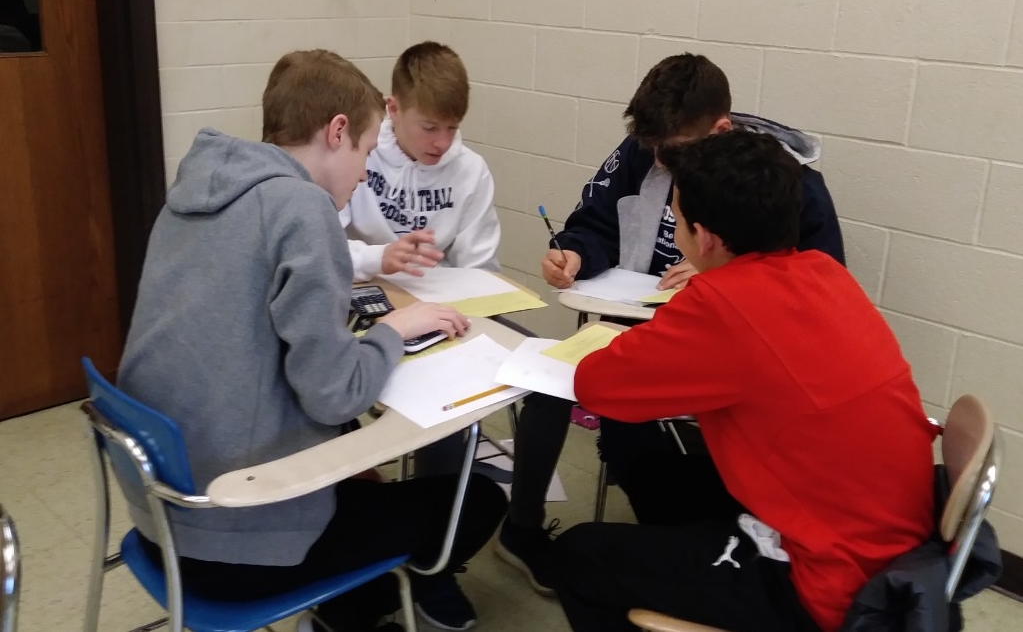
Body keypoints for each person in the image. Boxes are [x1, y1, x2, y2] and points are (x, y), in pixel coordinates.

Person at [117, 50, 506, 632]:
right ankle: (346, 614)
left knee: (361, 470)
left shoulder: (196, 189)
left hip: (161, 512)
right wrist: (392, 331)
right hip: (235, 540)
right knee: (478, 502)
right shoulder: (303, 207)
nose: (364, 175)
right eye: (366, 153)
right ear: (337, 131)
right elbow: (334, 395)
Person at [552, 130, 937, 632]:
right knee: (653, 476)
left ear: (704, 237)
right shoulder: (824, 272)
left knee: (578, 555)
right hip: (892, 543)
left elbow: (597, 385)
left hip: (832, 583)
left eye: (676, 217)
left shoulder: (720, 304)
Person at [496, 53, 845, 594]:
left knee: (644, 422)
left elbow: (815, 293)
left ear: (719, 131)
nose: (661, 162)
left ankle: (695, 552)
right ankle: (539, 529)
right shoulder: (648, 150)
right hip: (639, 327)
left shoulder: (775, 183)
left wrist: (721, 278)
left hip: (735, 355)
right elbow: (595, 222)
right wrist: (576, 252)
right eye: (653, 149)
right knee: (567, 390)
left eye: (675, 152)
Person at [340, 41, 500, 283]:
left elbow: (480, 270)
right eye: (429, 128)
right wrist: (378, 258)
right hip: (366, 286)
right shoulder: (357, 155)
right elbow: (324, 250)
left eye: (452, 128)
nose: (442, 143)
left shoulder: (472, 170)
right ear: (394, 109)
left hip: (437, 294)